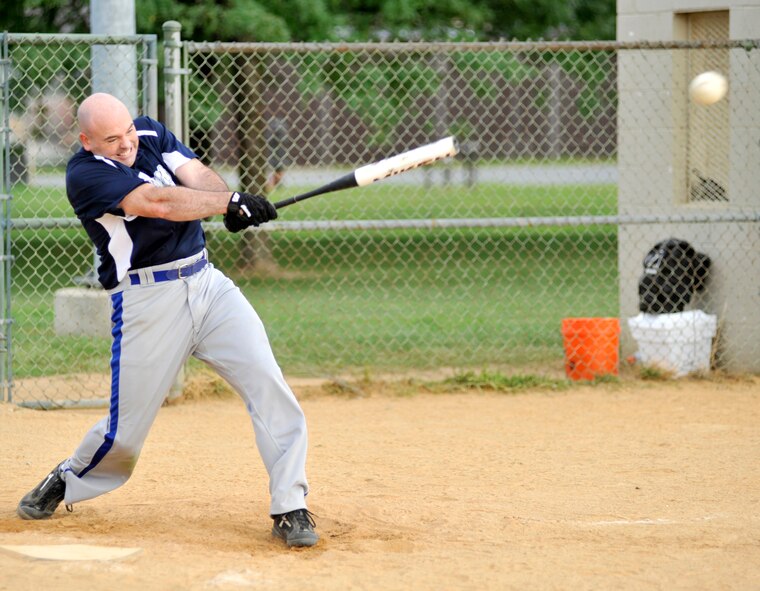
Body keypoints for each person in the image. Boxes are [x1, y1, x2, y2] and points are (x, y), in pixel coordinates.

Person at [16, 93, 318, 548]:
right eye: (112, 140)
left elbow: (193, 174)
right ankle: (69, 476)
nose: (126, 145)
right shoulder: (84, 175)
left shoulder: (151, 132)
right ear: (86, 141)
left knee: (267, 383)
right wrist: (227, 202)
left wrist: (229, 201)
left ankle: (290, 504)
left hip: (207, 283)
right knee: (124, 433)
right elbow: (157, 201)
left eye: (128, 133)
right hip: (147, 300)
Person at [265, 117, 290, 193]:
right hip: (275, 154)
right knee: (276, 170)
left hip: (279, 154)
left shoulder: (279, 135)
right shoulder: (272, 135)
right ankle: (271, 184)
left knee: (279, 170)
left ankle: (275, 184)